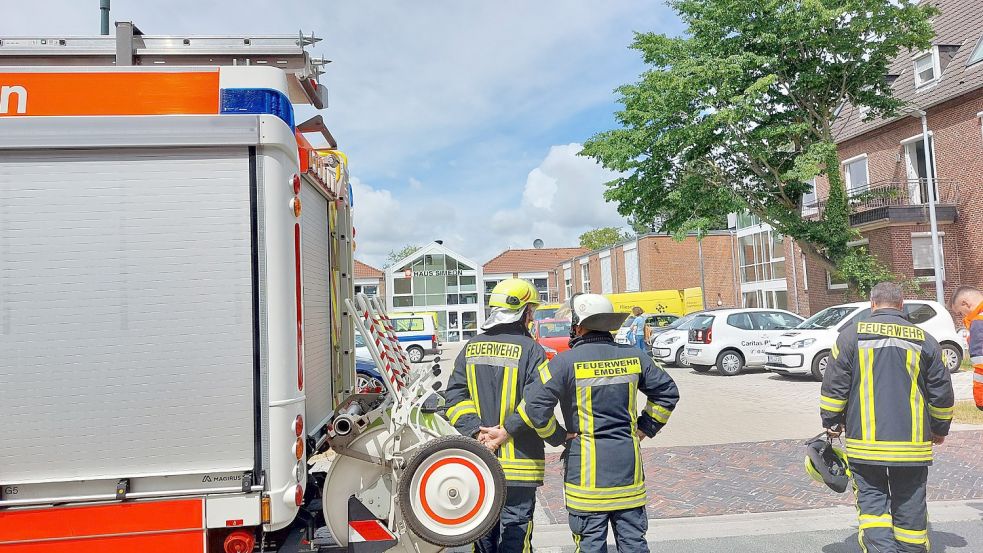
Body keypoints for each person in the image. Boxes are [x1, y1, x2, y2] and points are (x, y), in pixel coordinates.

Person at [483, 293, 680, 553]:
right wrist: (645, 428)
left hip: (586, 480)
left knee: (589, 546)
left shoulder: (564, 363)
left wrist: (557, 436)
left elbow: (534, 407)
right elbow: (667, 393)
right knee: (633, 544)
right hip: (628, 475)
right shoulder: (635, 357)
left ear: (577, 326)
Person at [821, 282, 954, 553]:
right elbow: (942, 392)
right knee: (911, 500)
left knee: (872, 502)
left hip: (865, 442)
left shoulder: (850, 337)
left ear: (872, 305)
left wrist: (832, 422)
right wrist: (939, 428)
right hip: (912, 445)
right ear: (902, 305)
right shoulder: (924, 340)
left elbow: (834, 388)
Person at [443, 278, 567, 553]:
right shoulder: (532, 349)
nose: (532, 316)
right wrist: (507, 432)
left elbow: (453, 398)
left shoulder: (471, 347)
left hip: (480, 460)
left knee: (483, 533)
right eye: (531, 310)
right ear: (523, 312)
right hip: (520, 463)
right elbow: (538, 404)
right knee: (517, 533)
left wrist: (477, 430)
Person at [949, 285, 983, 410]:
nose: (963, 317)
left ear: (966, 304)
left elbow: (981, 366)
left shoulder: (979, 323)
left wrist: (980, 401)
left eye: (960, 312)